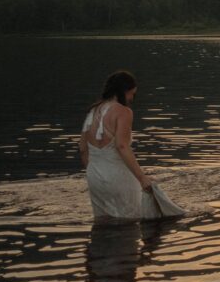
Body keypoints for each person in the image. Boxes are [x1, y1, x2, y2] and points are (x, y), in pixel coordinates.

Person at [78, 70, 184, 220]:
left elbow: (82, 148)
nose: (131, 98)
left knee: (102, 222)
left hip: (94, 176)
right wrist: (142, 178)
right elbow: (122, 146)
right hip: (118, 176)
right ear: (124, 91)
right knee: (130, 221)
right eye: (132, 94)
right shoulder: (123, 112)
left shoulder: (93, 111)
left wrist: (93, 171)